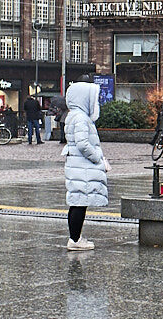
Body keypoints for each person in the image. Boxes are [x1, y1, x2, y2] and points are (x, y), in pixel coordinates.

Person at [63, 80, 110, 251]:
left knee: (77, 201)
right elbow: (83, 144)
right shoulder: (81, 118)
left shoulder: (74, 115)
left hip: (77, 165)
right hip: (82, 167)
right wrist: (98, 158)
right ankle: (75, 240)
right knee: (79, 203)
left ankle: (75, 237)